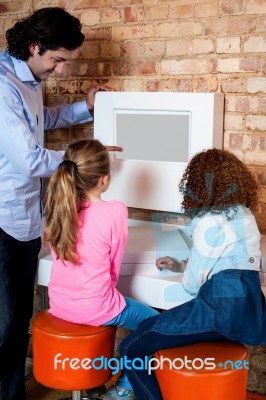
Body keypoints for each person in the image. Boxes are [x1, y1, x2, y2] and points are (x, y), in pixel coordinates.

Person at [0, 7, 119, 400]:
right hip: (4, 222)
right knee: (6, 327)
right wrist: (83, 156)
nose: (62, 70)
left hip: (25, 218)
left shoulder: (29, 79)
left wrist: (85, 107)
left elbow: (43, 121)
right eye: (58, 60)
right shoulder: (2, 86)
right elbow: (31, 158)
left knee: (17, 323)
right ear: (35, 47)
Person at [118, 148, 266, 400]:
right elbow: (228, 260)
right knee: (148, 328)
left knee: (131, 346)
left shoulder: (208, 220)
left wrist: (187, 272)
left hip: (220, 313)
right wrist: (181, 264)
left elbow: (191, 286)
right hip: (249, 314)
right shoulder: (245, 215)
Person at [44, 139, 159, 400]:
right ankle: (123, 388)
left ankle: (92, 382)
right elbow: (113, 268)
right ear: (104, 180)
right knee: (155, 324)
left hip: (59, 305)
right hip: (96, 307)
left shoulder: (58, 208)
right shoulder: (115, 211)